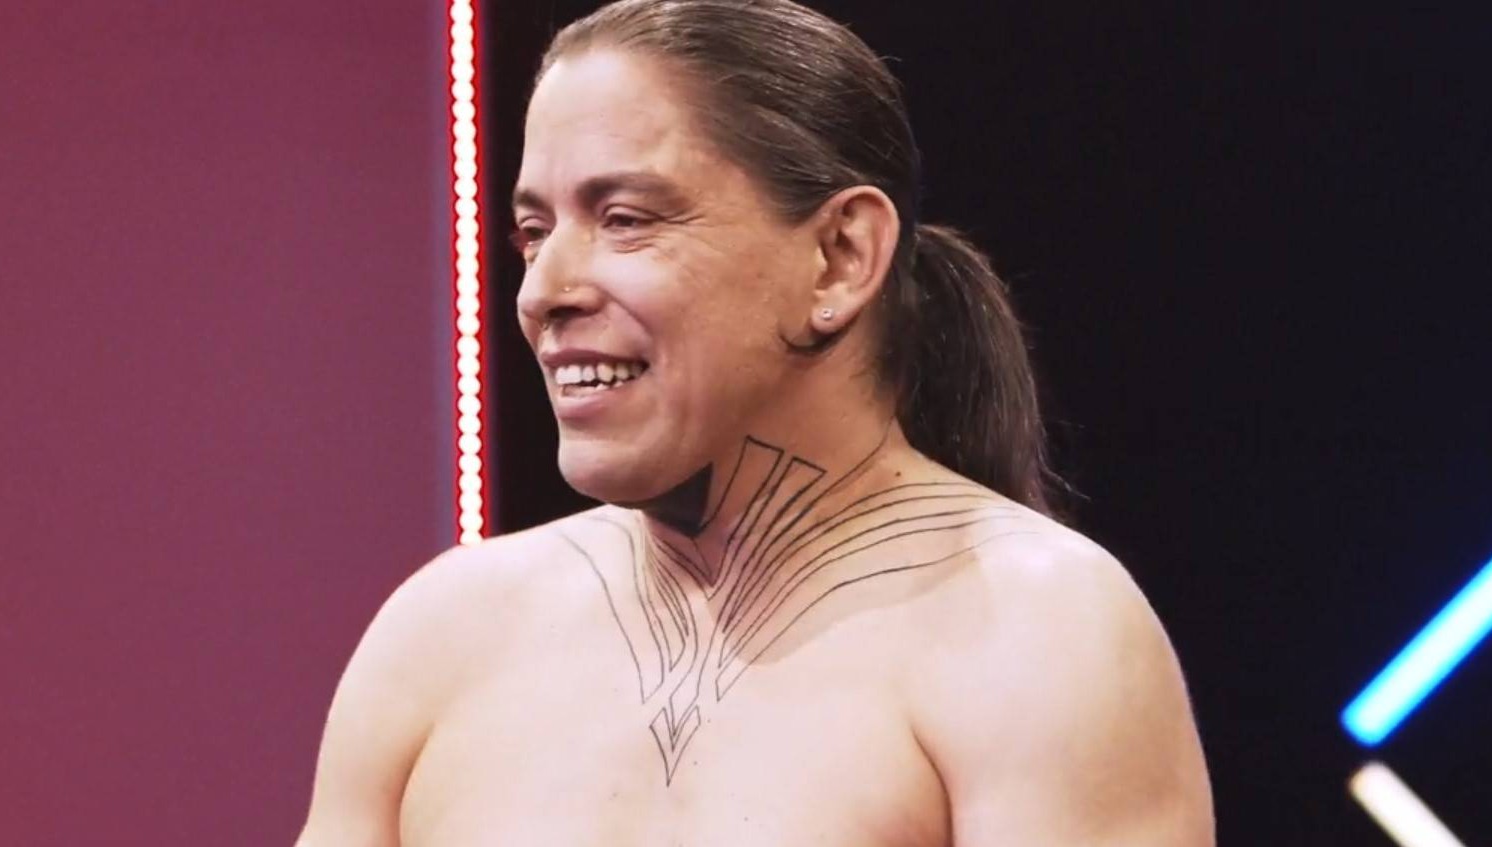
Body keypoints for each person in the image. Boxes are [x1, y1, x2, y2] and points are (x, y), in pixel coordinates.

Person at [296, 0, 1214, 844]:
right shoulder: (442, 636)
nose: (544, 292)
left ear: (839, 256)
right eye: (535, 234)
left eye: (625, 218)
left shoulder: (1040, 631)